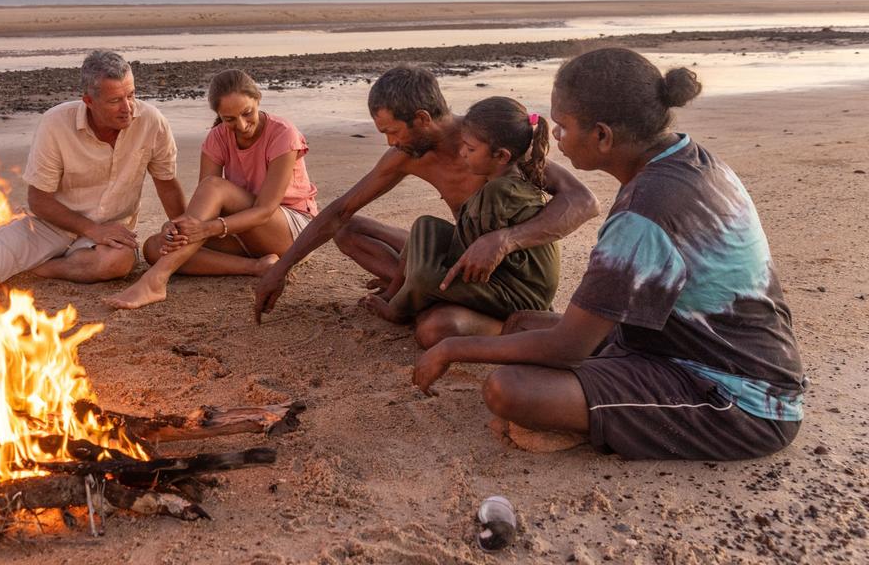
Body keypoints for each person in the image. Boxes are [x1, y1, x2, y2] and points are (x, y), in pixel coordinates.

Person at [412, 48, 805, 460]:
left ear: (602, 136)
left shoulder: (644, 212)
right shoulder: (694, 159)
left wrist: (451, 349)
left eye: (563, 127)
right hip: (680, 344)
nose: (556, 137)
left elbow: (568, 348)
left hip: (741, 400)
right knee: (524, 322)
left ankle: (596, 420)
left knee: (510, 390)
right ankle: (598, 404)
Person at [254, 65, 598, 332]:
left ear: (421, 118)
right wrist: (281, 270)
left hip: (504, 275)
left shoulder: (491, 143)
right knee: (348, 230)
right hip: (457, 256)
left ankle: (442, 303)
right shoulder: (408, 155)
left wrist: (505, 241)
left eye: (392, 131)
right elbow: (341, 210)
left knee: (434, 329)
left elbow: (584, 202)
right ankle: (419, 291)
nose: (390, 143)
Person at [0, 50, 186, 290]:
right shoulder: (56, 123)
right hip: (49, 224)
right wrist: (91, 229)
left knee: (118, 264)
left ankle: (35, 267)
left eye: (131, 95)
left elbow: (167, 183)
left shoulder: (152, 122)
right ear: (89, 101)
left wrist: (185, 231)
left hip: (109, 232)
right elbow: (38, 200)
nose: (127, 108)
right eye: (115, 100)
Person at [104, 69, 319, 310]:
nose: (242, 125)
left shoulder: (283, 134)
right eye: (229, 119)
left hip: (291, 231)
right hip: (243, 231)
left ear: (257, 98)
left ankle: (155, 280)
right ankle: (257, 266)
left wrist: (207, 228)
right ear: (219, 115)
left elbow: (264, 210)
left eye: (247, 113)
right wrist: (178, 226)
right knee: (156, 248)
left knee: (215, 188)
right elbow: (205, 204)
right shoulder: (216, 138)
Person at [362, 96, 561, 341]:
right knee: (425, 226)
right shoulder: (500, 182)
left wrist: (422, 280)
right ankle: (396, 293)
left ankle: (398, 310)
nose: (462, 153)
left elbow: (463, 258)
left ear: (501, 156)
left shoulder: (499, 193)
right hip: (508, 277)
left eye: (470, 149)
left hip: (521, 294)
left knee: (426, 277)